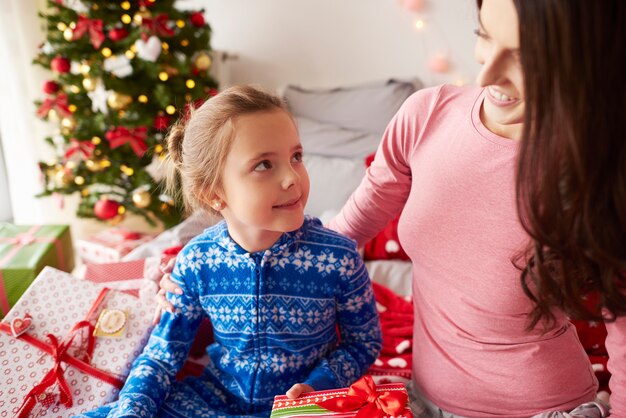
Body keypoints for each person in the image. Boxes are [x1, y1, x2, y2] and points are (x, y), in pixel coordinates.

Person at [156, 1, 626, 416]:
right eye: (485, 36)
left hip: (541, 407)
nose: (486, 75)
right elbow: (341, 234)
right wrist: (203, 270)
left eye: (526, 57)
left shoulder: (599, 173)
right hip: (420, 399)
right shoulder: (427, 115)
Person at [79, 85, 382, 418]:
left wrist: (319, 385)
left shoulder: (337, 257)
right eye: (265, 165)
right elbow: (162, 356)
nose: (292, 177)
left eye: (296, 157)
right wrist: (133, 409)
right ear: (213, 193)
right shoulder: (197, 261)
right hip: (214, 398)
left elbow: (362, 343)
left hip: (300, 407)